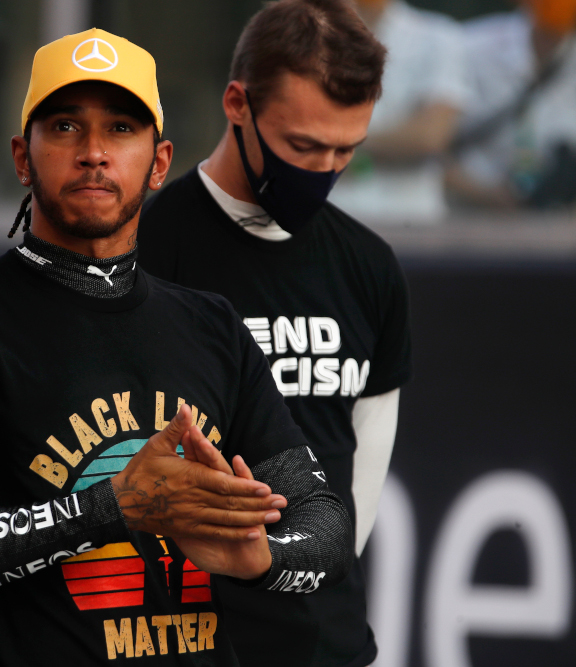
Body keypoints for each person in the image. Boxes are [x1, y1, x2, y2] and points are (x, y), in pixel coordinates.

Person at [0, 28, 354, 667]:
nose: (94, 153)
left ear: (159, 163)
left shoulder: (212, 325)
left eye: (122, 129)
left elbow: (324, 523)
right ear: (22, 157)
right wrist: (112, 507)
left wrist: (262, 558)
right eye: (65, 127)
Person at [138, 1, 412, 666]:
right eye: (303, 147)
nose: (323, 170)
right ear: (238, 104)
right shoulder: (145, 248)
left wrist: (306, 570)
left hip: (325, 644)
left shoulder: (369, 267)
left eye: (346, 150)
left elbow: (359, 493)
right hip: (175, 640)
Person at [328, 0, 469, 223]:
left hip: (410, 220)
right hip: (325, 219)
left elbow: (430, 137)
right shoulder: (303, 33)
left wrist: (340, 146)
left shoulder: (437, 35)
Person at [447, 0, 576, 208]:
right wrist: (485, 194)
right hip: (464, 211)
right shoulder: (468, 46)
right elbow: (429, 144)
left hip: (552, 216)